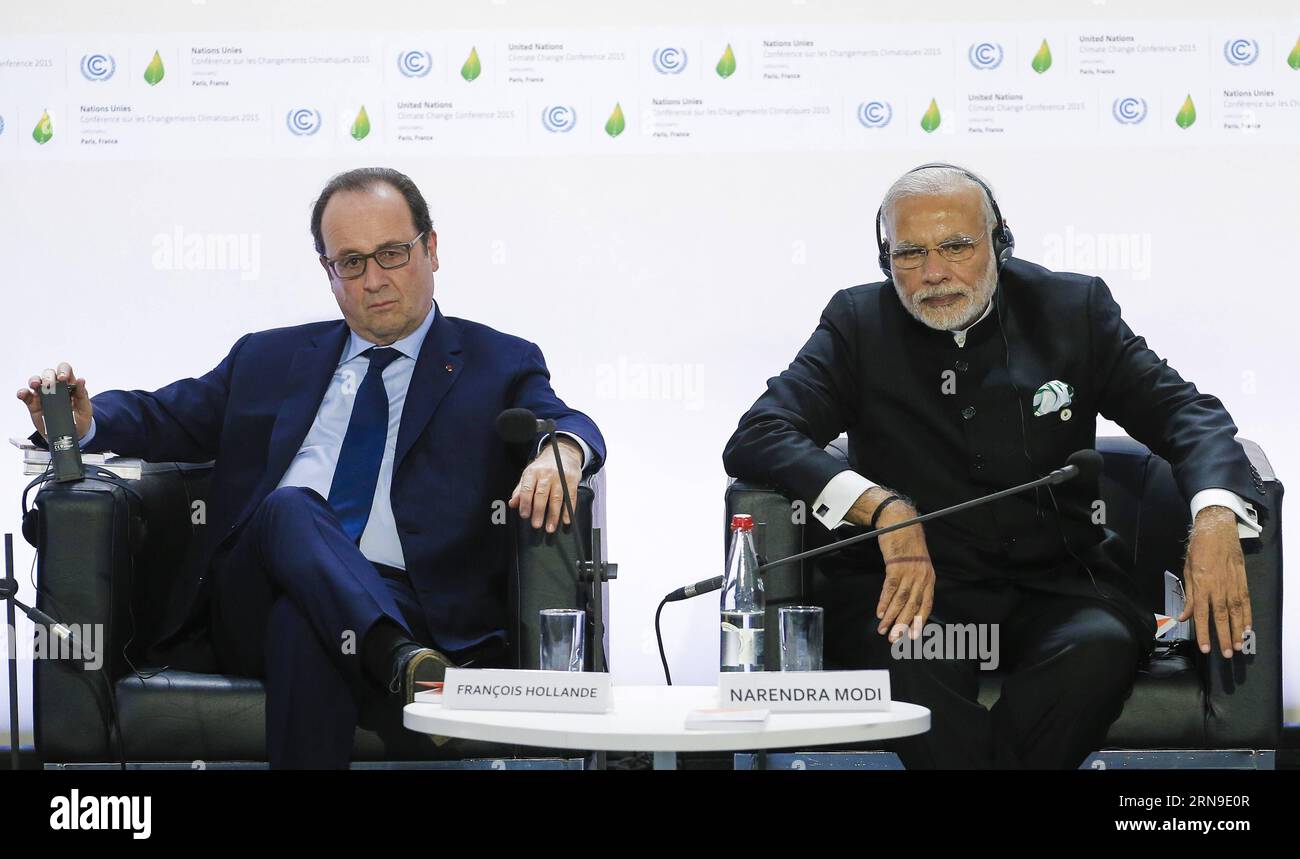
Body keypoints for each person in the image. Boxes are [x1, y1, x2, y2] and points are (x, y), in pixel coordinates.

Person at [18, 167, 606, 769]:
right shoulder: (268, 357)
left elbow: (566, 421)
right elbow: (164, 414)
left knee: (304, 624)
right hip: (251, 588)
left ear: (431, 248)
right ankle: (401, 661)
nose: (374, 280)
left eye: (391, 254)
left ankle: (390, 653)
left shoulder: (496, 361)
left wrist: (562, 449)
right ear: (328, 273)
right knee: (291, 506)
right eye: (350, 263)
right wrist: (82, 420)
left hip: (407, 602)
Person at [722, 163, 1264, 769]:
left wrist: (1215, 517)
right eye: (910, 254)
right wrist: (883, 507)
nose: (934, 273)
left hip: (1060, 583)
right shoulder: (858, 323)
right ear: (885, 261)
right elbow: (761, 433)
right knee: (905, 660)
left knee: (1099, 649)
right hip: (913, 593)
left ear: (999, 243)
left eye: (956, 246)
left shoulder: (1071, 308)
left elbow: (1186, 414)